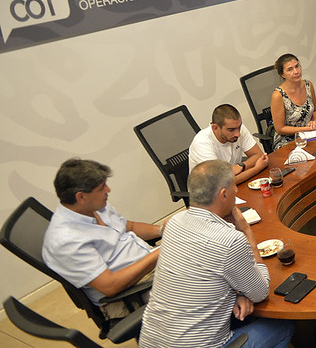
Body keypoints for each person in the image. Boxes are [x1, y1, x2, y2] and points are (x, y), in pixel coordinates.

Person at [139, 160, 294, 348]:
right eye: (234, 187)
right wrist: (246, 232)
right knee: (284, 324)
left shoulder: (174, 223)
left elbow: (200, 275)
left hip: (151, 342)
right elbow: (260, 292)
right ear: (224, 194)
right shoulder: (229, 241)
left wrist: (237, 293)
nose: (236, 191)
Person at [42, 158, 161, 317]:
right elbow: (110, 286)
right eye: (101, 187)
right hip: (129, 295)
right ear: (81, 197)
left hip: (149, 267)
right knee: (201, 282)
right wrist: (160, 253)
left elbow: (129, 226)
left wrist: (162, 230)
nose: (108, 190)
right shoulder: (66, 241)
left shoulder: (94, 206)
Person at [188, 104, 269, 184]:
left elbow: (258, 155)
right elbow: (224, 183)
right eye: (231, 130)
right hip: (209, 193)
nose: (238, 134)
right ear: (215, 128)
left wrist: (241, 166)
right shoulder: (202, 143)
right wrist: (256, 169)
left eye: (239, 127)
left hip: (233, 186)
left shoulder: (236, 126)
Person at [270, 53, 316, 150]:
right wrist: (306, 129)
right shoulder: (278, 95)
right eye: (290, 69)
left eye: (297, 66)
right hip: (287, 141)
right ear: (283, 74)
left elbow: (315, 111)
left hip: (309, 135)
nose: (296, 71)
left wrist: (314, 122)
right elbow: (280, 129)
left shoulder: (308, 85)